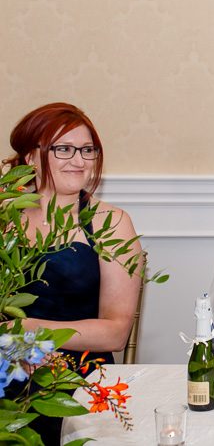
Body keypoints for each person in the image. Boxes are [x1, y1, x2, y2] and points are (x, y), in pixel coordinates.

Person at [4, 102, 142, 442]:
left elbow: (115, 333)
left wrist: (31, 333)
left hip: (76, 376)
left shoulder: (111, 224)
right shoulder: (5, 218)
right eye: (63, 149)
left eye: (87, 150)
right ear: (31, 157)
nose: (78, 161)